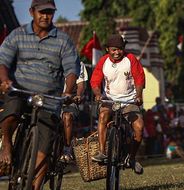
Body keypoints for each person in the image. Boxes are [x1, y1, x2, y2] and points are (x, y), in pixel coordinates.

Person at [0, 0, 80, 188]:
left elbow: (71, 70)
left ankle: (33, 185)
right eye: (41, 12)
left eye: (49, 12)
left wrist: (68, 91)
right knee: (11, 112)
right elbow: (3, 61)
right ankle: (6, 144)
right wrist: (4, 80)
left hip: (49, 99)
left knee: (45, 146)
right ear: (32, 12)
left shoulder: (63, 40)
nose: (45, 16)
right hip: (20, 91)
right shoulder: (17, 35)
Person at [90, 34, 145, 175]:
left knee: (139, 128)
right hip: (109, 100)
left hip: (129, 101)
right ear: (107, 49)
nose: (117, 52)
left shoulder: (130, 59)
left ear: (123, 48)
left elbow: (139, 78)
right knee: (103, 117)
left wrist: (138, 96)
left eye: (120, 49)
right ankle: (102, 152)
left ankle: (131, 158)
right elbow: (95, 81)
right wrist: (97, 94)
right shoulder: (103, 62)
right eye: (113, 49)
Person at [61, 61, 88, 162]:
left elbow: (80, 84)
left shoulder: (78, 63)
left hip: (69, 100)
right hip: (52, 97)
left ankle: (67, 149)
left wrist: (78, 95)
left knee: (67, 117)